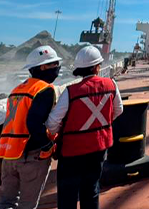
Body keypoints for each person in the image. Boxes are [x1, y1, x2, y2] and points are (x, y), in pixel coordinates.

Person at [47, 45, 123, 209]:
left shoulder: (70, 92)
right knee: (91, 191)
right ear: (97, 67)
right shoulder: (111, 85)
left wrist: (56, 136)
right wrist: (101, 124)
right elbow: (119, 110)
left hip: (72, 152)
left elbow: (52, 122)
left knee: (68, 195)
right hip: (99, 147)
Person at [0, 46, 62, 209]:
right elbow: (34, 123)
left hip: (8, 154)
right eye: (54, 64)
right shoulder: (45, 89)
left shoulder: (17, 89)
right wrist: (48, 145)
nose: (57, 68)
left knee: (6, 202)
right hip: (30, 154)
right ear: (43, 67)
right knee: (27, 205)